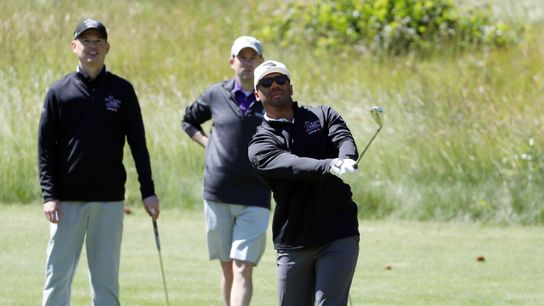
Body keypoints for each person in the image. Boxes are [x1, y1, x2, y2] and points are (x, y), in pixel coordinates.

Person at [38, 18, 160, 306]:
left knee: (105, 278)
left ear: (107, 47)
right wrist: (49, 195)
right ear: (74, 46)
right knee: (58, 274)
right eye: (86, 41)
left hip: (109, 200)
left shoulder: (122, 91)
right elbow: (45, 149)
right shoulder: (59, 92)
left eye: (98, 41)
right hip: (66, 202)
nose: (92, 47)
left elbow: (138, 145)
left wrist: (148, 191)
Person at [248, 60, 361, 306]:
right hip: (294, 240)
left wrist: (347, 160)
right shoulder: (260, 144)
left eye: (281, 80)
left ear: (291, 87)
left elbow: (343, 138)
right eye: (266, 82)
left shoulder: (322, 115)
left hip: (338, 232)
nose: (275, 85)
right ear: (258, 93)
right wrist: (331, 166)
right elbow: (292, 165)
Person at [181, 35, 271, 306]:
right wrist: (207, 143)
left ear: (261, 62)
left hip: (256, 195)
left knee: (243, 266)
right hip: (218, 193)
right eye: (241, 57)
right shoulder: (216, 94)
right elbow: (189, 120)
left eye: (252, 57)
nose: (247, 62)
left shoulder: (272, 97)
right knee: (228, 267)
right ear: (232, 62)